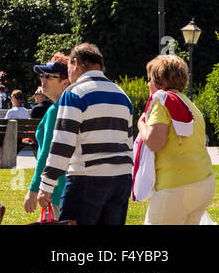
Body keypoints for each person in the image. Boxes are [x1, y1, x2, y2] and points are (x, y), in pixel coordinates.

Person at [36, 43, 133, 225]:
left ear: (75, 63)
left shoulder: (74, 93)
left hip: (86, 179)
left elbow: (62, 144)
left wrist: (46, 185)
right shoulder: (122, 95)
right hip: (121, 179)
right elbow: (128, 142)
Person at [136, 55, 214, 225]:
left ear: (160, 81)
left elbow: (154, 142)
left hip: (176, 187)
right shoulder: (190, 105)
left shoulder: (162, 101)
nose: (148, 84)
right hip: (203, 183)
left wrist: (141, 124)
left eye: (150, 79)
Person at [22, 55, 71, 220]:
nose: (43, 79)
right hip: (68, 189)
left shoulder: (55, 110)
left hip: (55, 190)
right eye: (42, 75)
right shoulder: (69, 107)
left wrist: (34, 188)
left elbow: (46, 153)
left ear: (66, 82)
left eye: (49, 76)